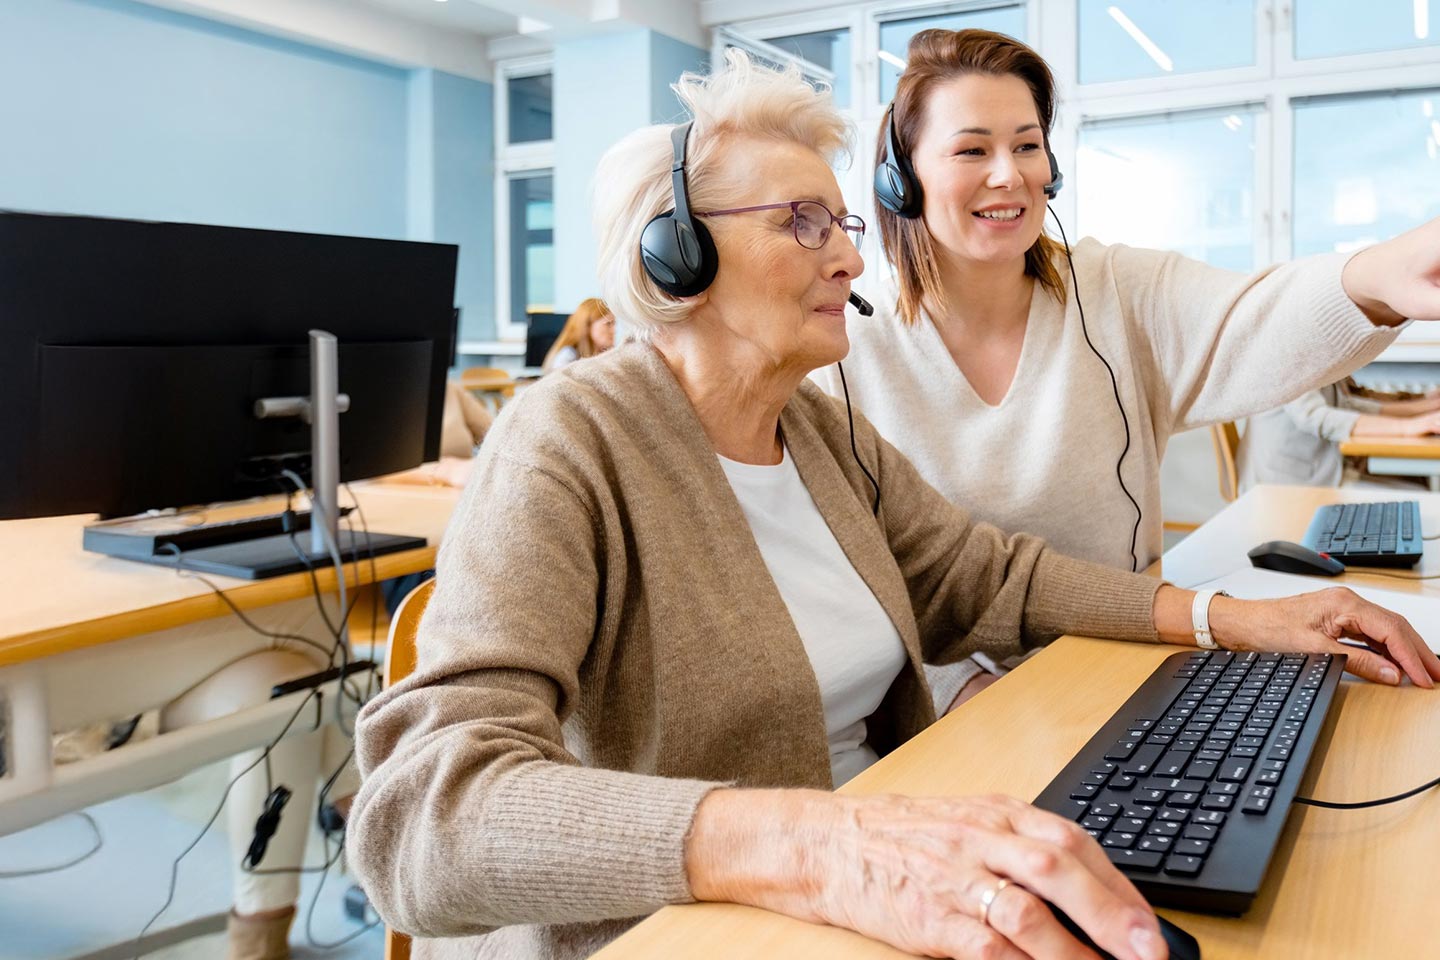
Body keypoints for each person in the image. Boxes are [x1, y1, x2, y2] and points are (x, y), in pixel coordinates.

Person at [345, 52, 1440, 960]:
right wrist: (825, 846)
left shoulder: (820, 435)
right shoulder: (571, 440)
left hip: (889, 877)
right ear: (674, 258)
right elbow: (422, 817)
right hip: (706, 923)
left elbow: (989, 580)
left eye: (842, 222)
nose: (849, 255)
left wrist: (1234, 621)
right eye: (804, 225)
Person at [811, 28, 1440, 708]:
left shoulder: (1114, 289)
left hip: (1134, 653)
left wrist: (1383, 274)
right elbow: (850, 581)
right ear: (900, 180)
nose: (1010, 174)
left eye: (1027, 145)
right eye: (972, 149)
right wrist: (956, 687)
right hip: (958, 700)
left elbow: (1254, 314)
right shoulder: (845, 350)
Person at [1238, 378, 1440, 490]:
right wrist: (1409, 427)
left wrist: (1423, 409)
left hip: (1318, 471)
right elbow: (1314, 416)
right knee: (1418, 498)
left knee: (1417, 483)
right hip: (1286, 485)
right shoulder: (1288, 349)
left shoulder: (1318, 346)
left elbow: (1346, 404)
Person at [541, 297, 616, 372]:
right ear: (587, 326)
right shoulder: (567, 356)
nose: (614, 330)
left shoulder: (605, 357)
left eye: (614, 323)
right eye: (608, 324)